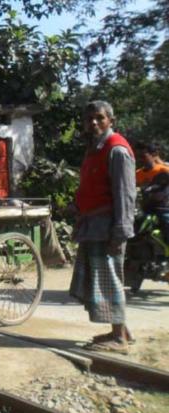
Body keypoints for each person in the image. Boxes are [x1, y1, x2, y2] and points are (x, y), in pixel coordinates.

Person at [68, 101, 136, 354]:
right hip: (92, 224)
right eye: (89, 119)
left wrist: (120, 232)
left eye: (99, 118)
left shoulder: (116, 150)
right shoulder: (94, 150)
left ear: (111, 120)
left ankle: (118, 339)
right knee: (104, 280)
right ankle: (121, 331)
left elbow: (125, 194)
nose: (93, 123)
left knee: (110, 279)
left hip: (107, 227)